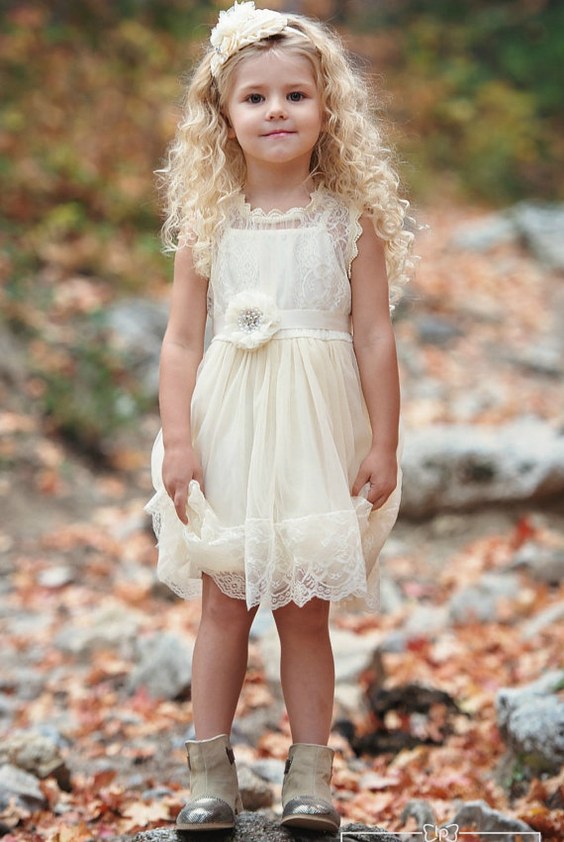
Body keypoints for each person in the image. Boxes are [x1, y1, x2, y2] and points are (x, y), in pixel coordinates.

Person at [146, 0, 414, 833]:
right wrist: (180, 440)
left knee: (305, 610)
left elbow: (373, 334)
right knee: (225, 600)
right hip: (227, 426)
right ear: (223, 116)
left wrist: (386, 442)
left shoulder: (348, 220)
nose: (276, 111)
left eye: (295, 95)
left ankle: (310, 777)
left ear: (327, 109)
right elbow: (182, 344)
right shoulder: (208, 223)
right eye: (255, 97)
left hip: (316, 433)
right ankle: (209, 772)